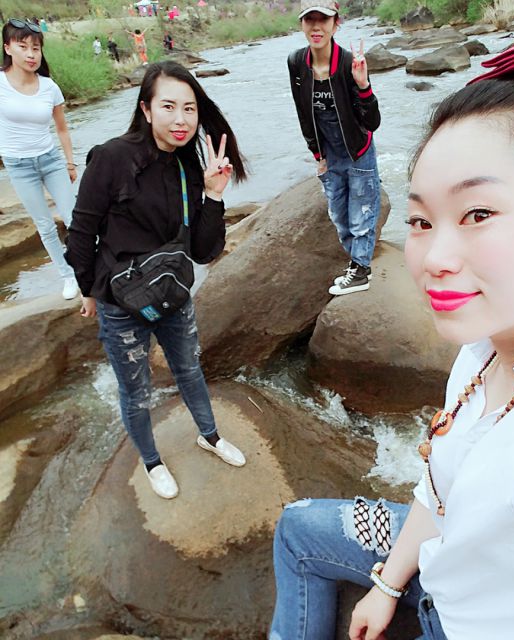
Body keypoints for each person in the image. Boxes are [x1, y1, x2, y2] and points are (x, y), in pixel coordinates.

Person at [271, 45, 514, 640]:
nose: (434, 259)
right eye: (421, 221)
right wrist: (388, 585)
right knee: (297, 526)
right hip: (437, 568)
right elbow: (439, 489)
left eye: (478, 214)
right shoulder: (488, 343)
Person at [65, 61, 248, 499]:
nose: (180, 119)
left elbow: (202, 250)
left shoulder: (187, 167)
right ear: (146, 109)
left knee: (189, 369)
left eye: (189, 108)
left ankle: (209, 435)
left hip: (172, 296)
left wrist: (214, 194)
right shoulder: (111, 158)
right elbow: (81, 233)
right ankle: (151, 461)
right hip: (121, 303)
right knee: (135, 390)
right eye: (168, 106)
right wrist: (90, 290)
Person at [287, 0, 381, 296]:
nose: (316, 27)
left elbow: (373, 122)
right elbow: (303, 112)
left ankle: (361, 271)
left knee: (361, 214)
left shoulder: (349, 62)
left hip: (358, 150)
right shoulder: (296, 62)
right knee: (339, 217)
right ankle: (356, 264)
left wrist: (363, 85)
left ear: (335, 24)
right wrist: (317, 154)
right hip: (329, 153)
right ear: (302, 24)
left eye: (323, 20)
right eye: (310, 20)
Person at [0, 19, 79, 299]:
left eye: (36, 48)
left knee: (73, 218)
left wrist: (70, 162)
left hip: (50, 160)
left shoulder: (49, 87)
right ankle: (68, 276)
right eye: (23, 47)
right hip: (19, 166)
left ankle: (86, 269)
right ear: (7, 48)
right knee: (45, 225)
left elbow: (62, 129)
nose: (31, 54)